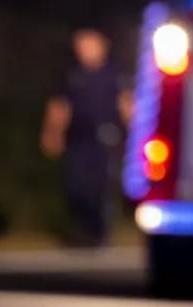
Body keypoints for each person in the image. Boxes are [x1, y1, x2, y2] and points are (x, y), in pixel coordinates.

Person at [41, 28, 134, 246]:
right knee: (76, 185)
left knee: (100, 187)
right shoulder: (71, 74)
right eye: (80, 46)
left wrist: (135, 135)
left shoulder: (115, 74)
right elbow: (59, 107)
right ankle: (83, 229)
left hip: (105, 137)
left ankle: (99, 233)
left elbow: (127, 105)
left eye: (88, 45)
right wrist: (52, 134)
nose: (83, 50)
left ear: (102, 47)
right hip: (78, 138)